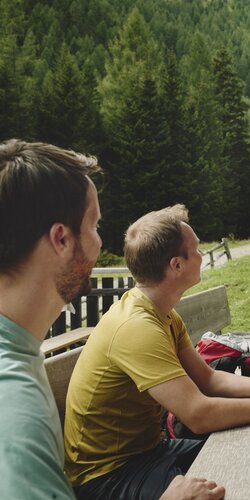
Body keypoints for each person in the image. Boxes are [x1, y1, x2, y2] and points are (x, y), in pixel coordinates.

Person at [0, 140, 222, 500]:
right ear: (61, 239)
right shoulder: (13, 404)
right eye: (94, 225)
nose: (100, 242)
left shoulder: (19, 353)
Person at [64, 205, 250, 499]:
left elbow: (209, 379)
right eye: (197, 249)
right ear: (176, 265)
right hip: (108, 475)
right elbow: (199, 415)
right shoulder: (137, 327)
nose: (201, 255)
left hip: (150, 452)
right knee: (237, 482)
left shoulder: (163, 313)